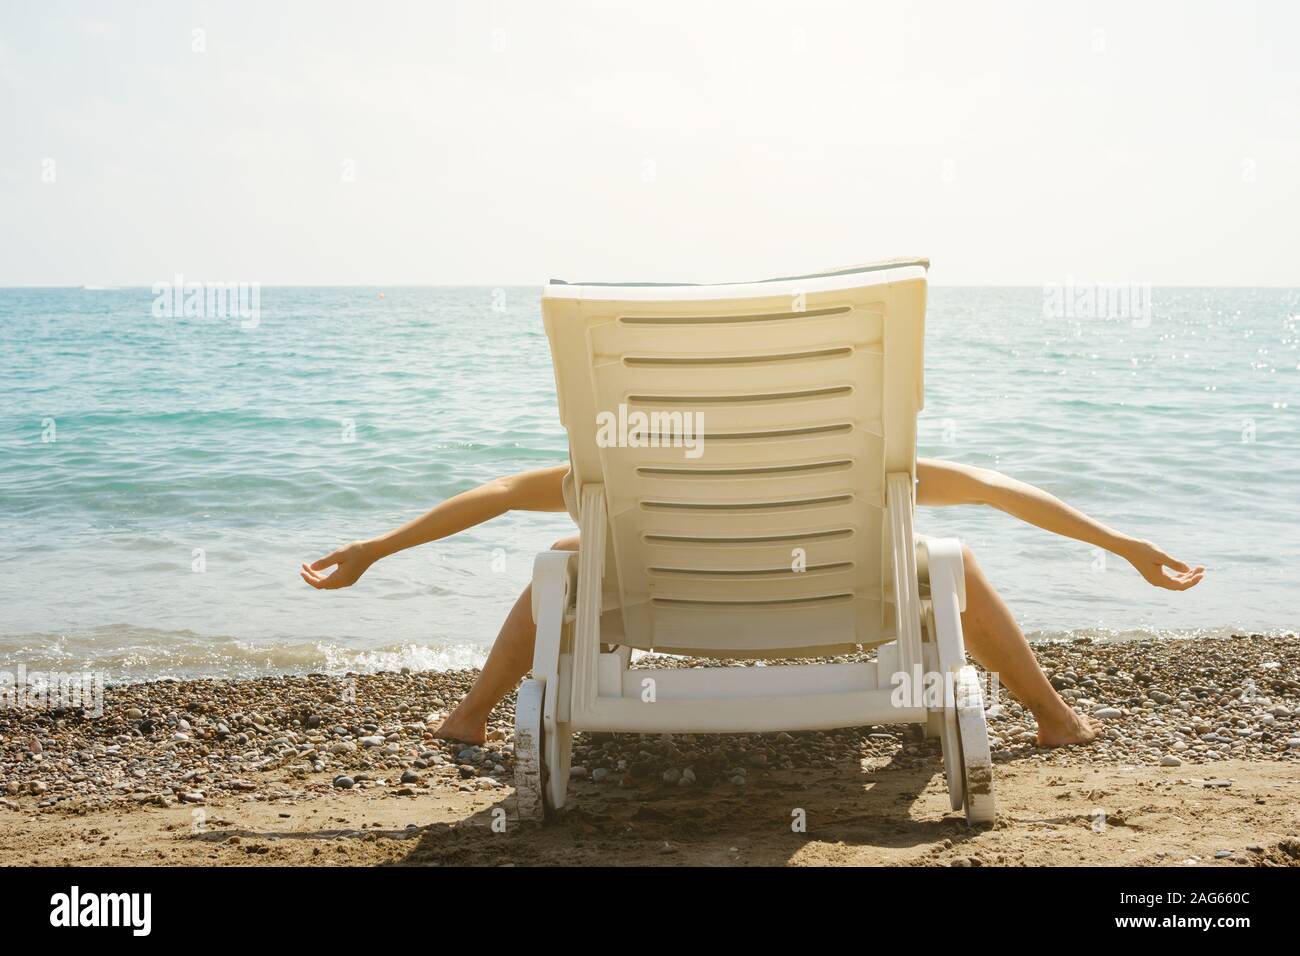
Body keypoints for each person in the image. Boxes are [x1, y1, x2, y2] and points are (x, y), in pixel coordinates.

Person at [301, 459, 1204, 747]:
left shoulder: (627, 459)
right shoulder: (862, 455)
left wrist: (378, 550)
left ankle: (470, 716)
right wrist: (1121, 546)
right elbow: (1002, 493)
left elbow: (498, 494)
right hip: (835, 612)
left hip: (671, 619)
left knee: (564, 556)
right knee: (952, 555)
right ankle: (1052, 716)